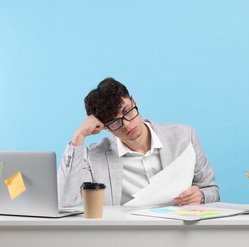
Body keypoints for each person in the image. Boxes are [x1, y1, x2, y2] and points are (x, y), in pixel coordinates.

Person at [58, 77, 220, 207]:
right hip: (127, 239)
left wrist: (201, 196)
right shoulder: (93, 157)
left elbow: (212, 190)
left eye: (127, 111)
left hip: (179, 235)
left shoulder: (184, 136)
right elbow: (65, 201)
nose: (127, 124)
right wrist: (79, 136)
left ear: (134, 101)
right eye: (115, 122)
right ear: (105, 127)